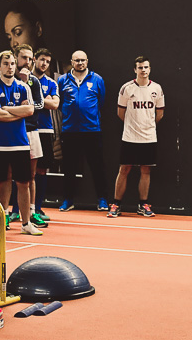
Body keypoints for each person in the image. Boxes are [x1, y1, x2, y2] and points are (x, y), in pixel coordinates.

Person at [0, 50, 43, 236]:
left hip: (20, 144)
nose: (10, 67)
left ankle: (26, 224)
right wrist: (18, 111)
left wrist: (8, 110)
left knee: (24, 183)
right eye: (6, 64)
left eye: (12, 64)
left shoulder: (23, 87)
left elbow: (30, 110)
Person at [110, 56, 165, 218]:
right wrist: (132, 126)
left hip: (149, 137)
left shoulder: (157, 88)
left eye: (146, 67)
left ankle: (143, 204)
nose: (143, 70)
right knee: (124, 169)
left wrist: (147, 125)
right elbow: (121, 113)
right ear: (135, 70)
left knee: (146, 170)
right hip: (129, 136)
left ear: (150, 69)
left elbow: (160, 114)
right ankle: (116, 204)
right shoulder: (126, 88)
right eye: (140, 68)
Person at [56, 49, 109, 211]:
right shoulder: (63, 80)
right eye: (77, 60)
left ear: (87, 61)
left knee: (97, 167)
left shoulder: (97, 79)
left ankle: (102, 199)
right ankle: (68, 200)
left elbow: (101, 102)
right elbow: (60, 103)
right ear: (71, 62)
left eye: (83, 60)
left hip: (92, 130)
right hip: (70, 131)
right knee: (69, 168)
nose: (80, 63)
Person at [7, 45, 47, 228]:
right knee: (8, 175)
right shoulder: (7, 80)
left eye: (30, 59)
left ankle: (31, 212)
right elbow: (1, 108)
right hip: (11, 132)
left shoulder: (34, 82)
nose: (27, 62)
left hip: (31, 131)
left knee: (30, 176)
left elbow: (38, 105)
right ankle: (10, 212)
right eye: (24, 58)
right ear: (16, 58)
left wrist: (26, 93)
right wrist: (21, 110)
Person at [31, 48, 61, 219]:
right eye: (42, 59)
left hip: (45, 130)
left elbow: (55, 105)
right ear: (35, 59)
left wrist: (38, 100)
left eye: (47, 61)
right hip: (28, 129)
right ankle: (15, 210)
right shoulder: (25, 80)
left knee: (42, 170)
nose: (44, 64)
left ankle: (38, 208)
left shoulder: (51, 82)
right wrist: (45, 99)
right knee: (25, 173)